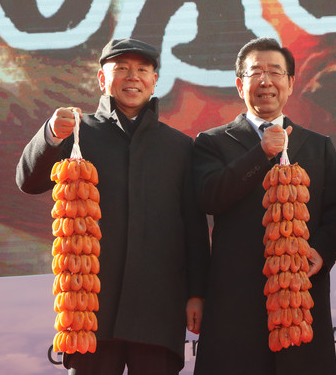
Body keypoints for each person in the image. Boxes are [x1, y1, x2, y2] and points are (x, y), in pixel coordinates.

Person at [15, 38, 210, 375]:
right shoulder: (76, 132)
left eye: (142, 70)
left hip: (158, 308)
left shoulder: (178, 146)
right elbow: (28, 182)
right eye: (121, 69)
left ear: (154, 80)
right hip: (89, 309)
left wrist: (196, 293)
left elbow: (193, 227)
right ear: (103, 80)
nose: (132, 77)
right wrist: (49, 134)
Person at [191, 37, 336, 374]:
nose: (266, 81)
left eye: (275, 72)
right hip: (235, 302)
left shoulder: (318, 145)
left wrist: (321, 251)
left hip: (298, 299)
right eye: (256, 73)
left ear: (291, 83)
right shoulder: (213, 142)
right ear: (240, 85)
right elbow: (210, 197)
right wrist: (260, 153)